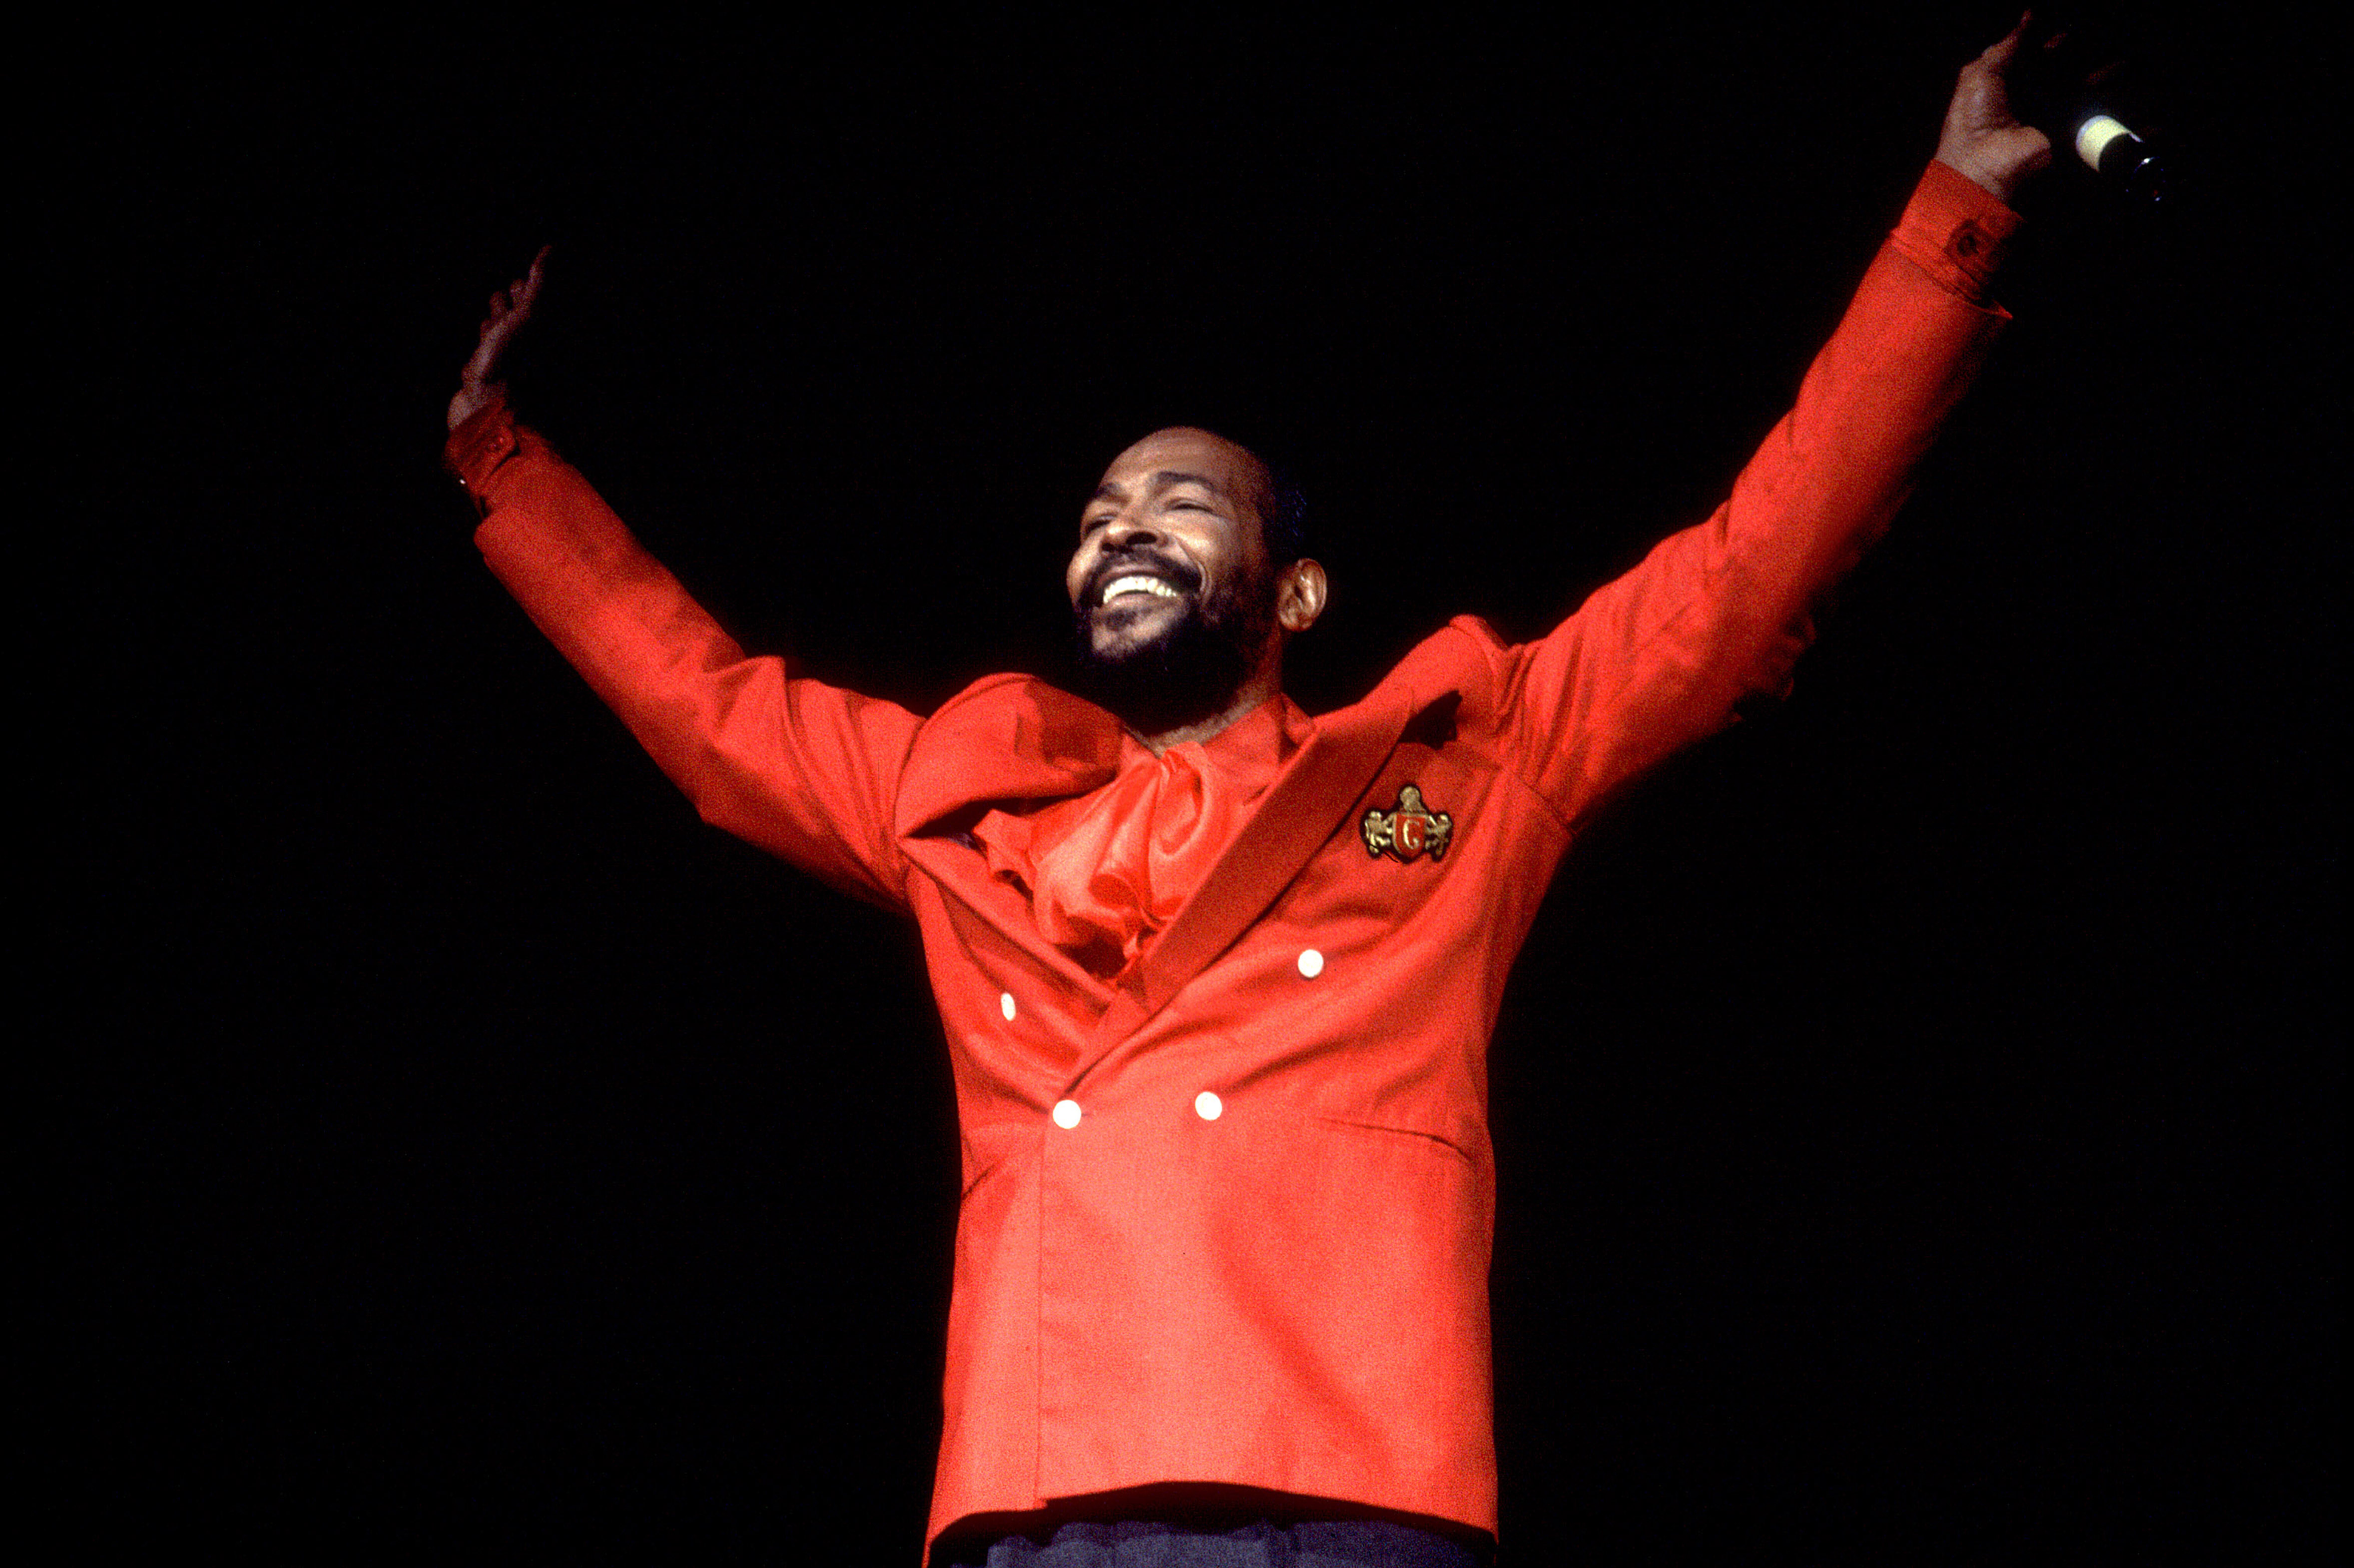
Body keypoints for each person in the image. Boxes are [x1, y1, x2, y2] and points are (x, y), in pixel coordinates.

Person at [443, 21, 2060, 1567]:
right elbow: (708, 703)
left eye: (1179, 502)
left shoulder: (1460, 766)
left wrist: (1955, 216)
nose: (1121, 526)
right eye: (1097, 509)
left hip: (1354, 1470)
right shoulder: (956, 806)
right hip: (1042, 1487)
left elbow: (1749, 573)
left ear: (1293, 596)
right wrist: (497, 462)